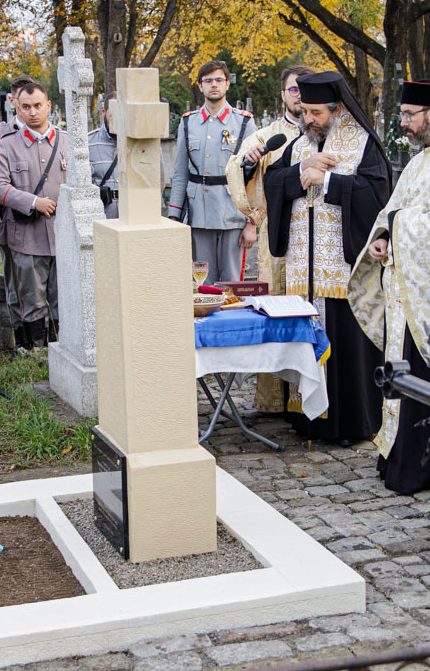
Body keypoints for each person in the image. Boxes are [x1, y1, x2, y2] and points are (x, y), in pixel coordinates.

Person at [347, 79, 430, 493]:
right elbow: (395, 210)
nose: (403, 123)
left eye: (410, 116)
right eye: (402, 115)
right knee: (404, 373)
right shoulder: (426, 156)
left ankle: (420, 467)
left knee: (424, 375)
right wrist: (384, 236)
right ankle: (398, 454)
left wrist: (400, 227)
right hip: (408, 291)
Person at [261, 69, 390, 443]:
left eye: (316, 112)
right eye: (304, 112)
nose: (308, 120)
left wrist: (330, 182)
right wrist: (301, 172)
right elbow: (273, 184)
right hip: (305, 272)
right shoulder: (300, 145)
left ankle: (353, 422)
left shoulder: (362, 142)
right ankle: (309, 420)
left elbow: (378, 193)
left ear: (337, 108)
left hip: (344, 270)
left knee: (347, 348)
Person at [232, 66, 309, 412]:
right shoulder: (266, 137)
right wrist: (250, 165)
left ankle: (311, 395)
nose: (300, 96)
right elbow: (237, 171)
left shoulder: (326, 133)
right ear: (283, 94)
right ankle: (275, 400)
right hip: (277, 241)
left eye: (305, 91)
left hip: (315, 242)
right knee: (276, 309)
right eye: (293, 90)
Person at [0, 77, 65, 350]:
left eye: (38, 105)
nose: (33, 112)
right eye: (26, 106)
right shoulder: (7, 144)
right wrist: (32, 202)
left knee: (61, 296)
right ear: (17, 109)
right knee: (31, 296)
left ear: (48, 106)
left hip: (62, 234)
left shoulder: (66, 142)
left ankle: (61, 349)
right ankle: (35, 350)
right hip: (26, 235)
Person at [166, 60, 254, 285]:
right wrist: (174, 215)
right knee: (202, 283)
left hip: (233, 214)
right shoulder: (188, 123)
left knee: (233, 284)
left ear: (227, 85)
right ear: (200, 86)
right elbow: (180, 174)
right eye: (208, 80)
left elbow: (254, 178)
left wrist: (253, 222)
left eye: (218, 80)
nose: (213, 85)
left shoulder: (243, 122)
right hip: (199, 214)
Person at [88, 91, 121, 219]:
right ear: (103, 111)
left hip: (134, 219)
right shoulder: (88, 144)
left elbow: (157, 180)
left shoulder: (140, 144)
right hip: (102, 218)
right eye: (113, 113)